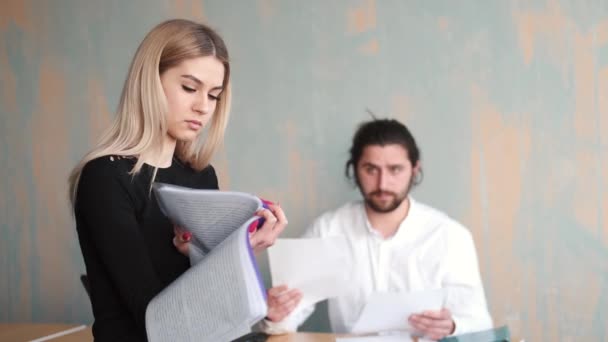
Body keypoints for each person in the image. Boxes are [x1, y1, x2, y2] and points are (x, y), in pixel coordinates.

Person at [68, 19, 296, 341]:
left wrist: (259, 306)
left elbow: (212, 310)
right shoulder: (105, 177)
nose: (202, 107)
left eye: (214, 95)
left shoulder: (201, 176)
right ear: (150, 81)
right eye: (189, 88)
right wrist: (239, 251)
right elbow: (158, 321)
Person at [261, 118, 493, 340]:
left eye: (395, 170)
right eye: (371, 170)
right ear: (354, 169)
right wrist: (276, 313)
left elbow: (480, 323)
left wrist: (452, 325)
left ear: (414, 169)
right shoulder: (328, 229)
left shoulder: (450, 236)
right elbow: (285, 322)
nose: (383, 184)